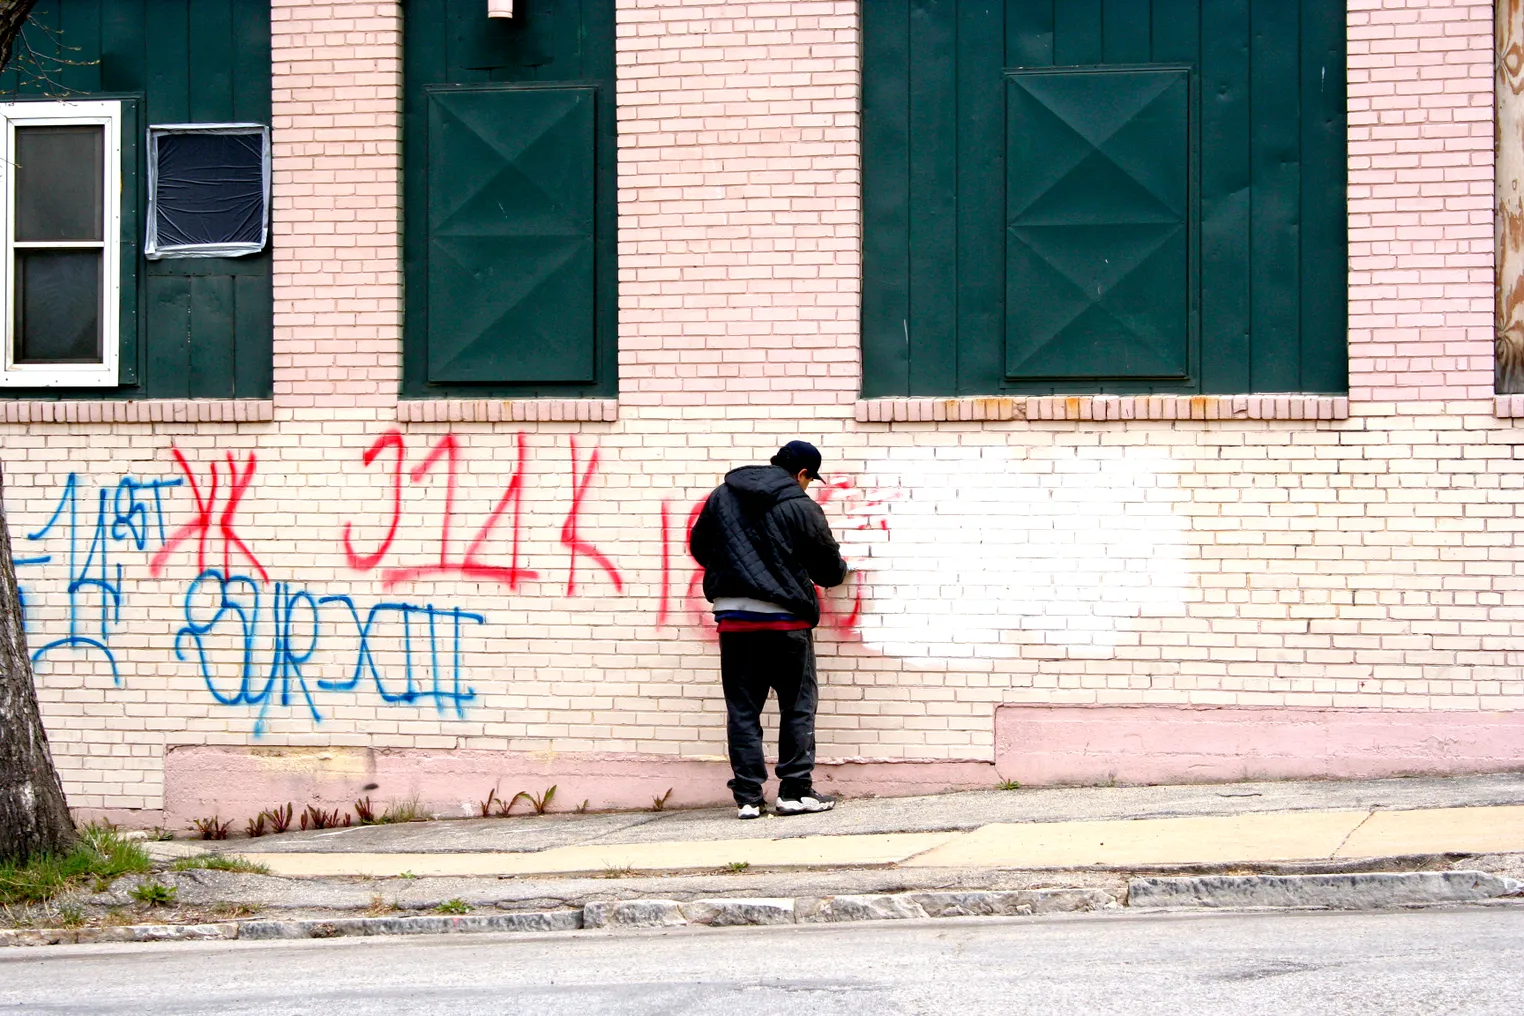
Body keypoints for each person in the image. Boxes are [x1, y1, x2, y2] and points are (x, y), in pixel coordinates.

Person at [689, 440, 850, 819]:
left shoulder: (722, 496)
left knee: (743, 710)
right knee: (797, 706)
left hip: (734, 619)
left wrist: (734, 571)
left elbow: (699, 546)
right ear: (803, 474)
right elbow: (827, 568)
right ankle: (794, 792)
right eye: (810, 479)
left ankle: (747, 799)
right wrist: (838, 572)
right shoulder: (801, 505)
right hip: (785, 621)